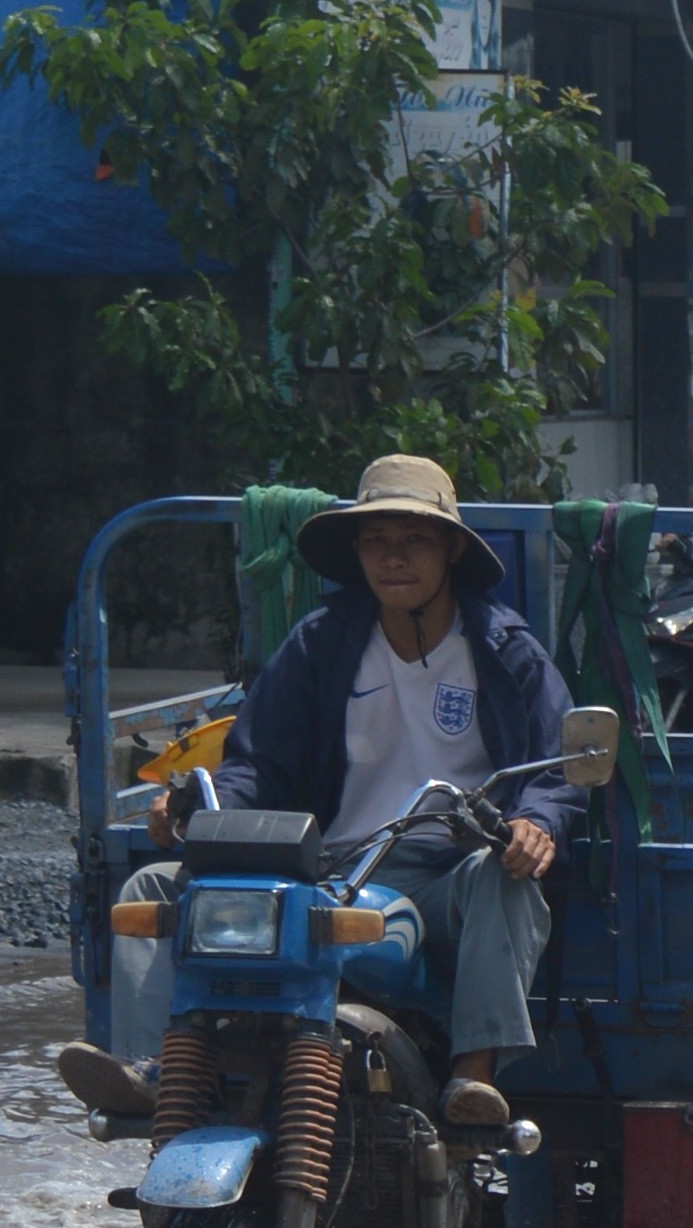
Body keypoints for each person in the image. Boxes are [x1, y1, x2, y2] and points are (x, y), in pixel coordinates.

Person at [58, 451, 576, 1140]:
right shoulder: (324, 643)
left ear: (451, 547)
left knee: (505, 881)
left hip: (448, 877)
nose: (393, 559)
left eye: (414, 540)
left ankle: (472, 1077)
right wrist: (198, 806)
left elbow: (556, 764)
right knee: (151, 887)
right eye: (376, 542)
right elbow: (257, 764)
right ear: (357, 552)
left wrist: (536, 823)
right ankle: (155, 1068)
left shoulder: (505, 648)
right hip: (331, 873)